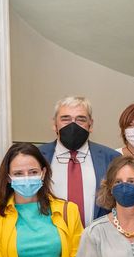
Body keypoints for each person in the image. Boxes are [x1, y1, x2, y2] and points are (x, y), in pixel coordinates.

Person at [41, 96, 119, 226]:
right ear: (54, 124)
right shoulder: (37, 158)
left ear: (91, 125)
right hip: (52, 242)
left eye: (80, 119)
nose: (73, 124)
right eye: (65, 119)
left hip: (99, 240)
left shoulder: (112, 159)